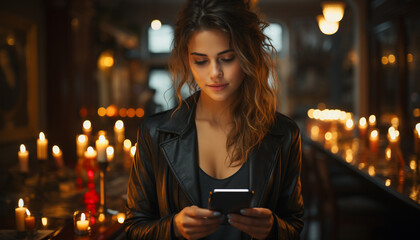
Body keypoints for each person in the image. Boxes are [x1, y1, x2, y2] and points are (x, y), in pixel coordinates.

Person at [125, 0, 304, 239]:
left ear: (248, 55)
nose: (214, 73)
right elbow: (134, 228)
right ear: (187, 60)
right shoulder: (155, 133)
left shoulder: (284, 133)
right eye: (200, 60)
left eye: (227, 58)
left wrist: (273, 229)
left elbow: (294, 224)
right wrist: (173, 228)